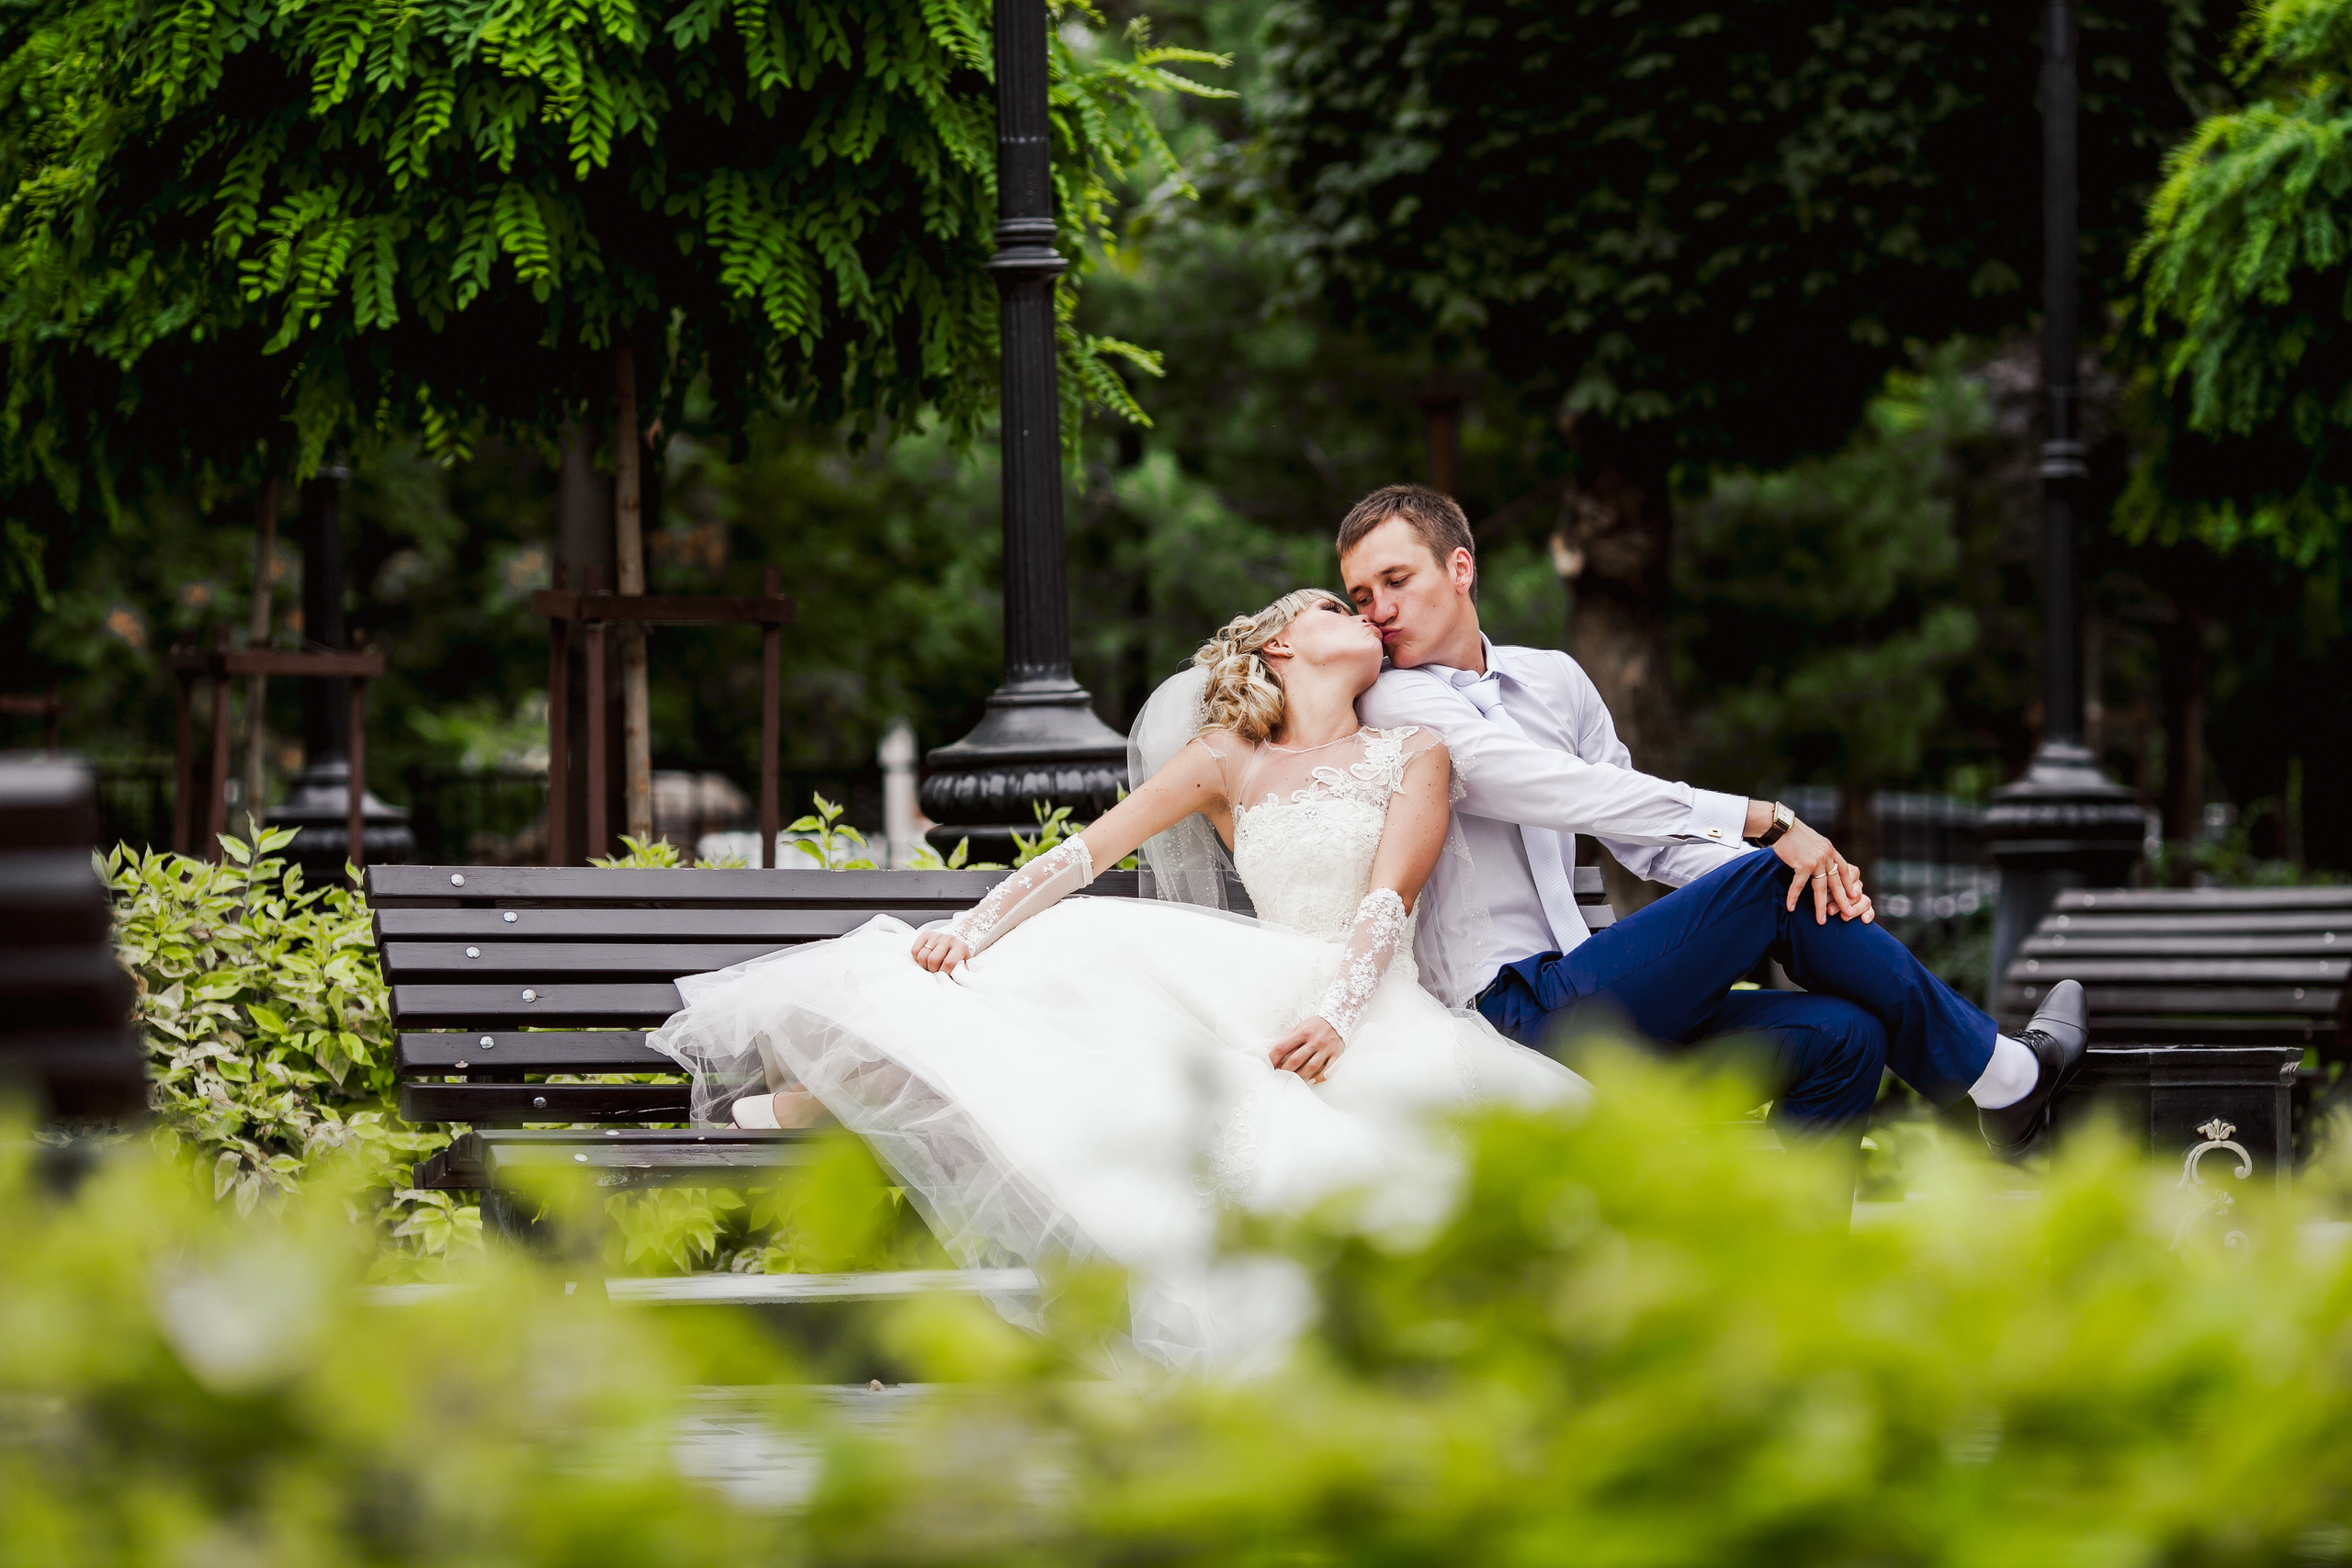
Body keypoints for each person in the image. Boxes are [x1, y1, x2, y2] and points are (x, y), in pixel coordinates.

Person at [649, 588, 1586, 1373]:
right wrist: (970, 929)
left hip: (1365, 997)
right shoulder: (1229, 756)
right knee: (1068, 955)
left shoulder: (1414, 750)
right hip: (1250, 983)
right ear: (1281, 641)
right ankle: (850, 1087)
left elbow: (1390, 897)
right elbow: (1087, 853)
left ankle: (849, 1095)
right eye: (1339, 605)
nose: (1366, 617)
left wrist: (1337, 1016)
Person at [1340, 483, 2086, 1154]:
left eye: (1395, 580)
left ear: (1460, 569)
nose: (1380, 612)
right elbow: (1553, 788)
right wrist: (1764, 824)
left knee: (1844, 1035)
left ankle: (1790, 1287)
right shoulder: (1394, 703)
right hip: (1504, 1015)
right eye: (1362, 596)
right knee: (1772, 872)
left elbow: (1649, 842)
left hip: (1594, 991)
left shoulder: (1554, 678)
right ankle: (2005, 1078)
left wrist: (1810, 887)